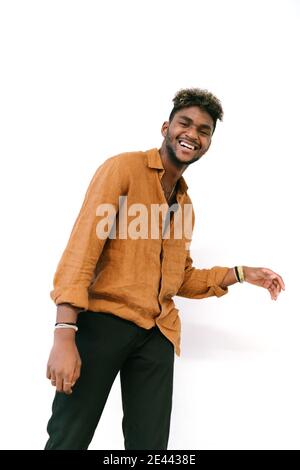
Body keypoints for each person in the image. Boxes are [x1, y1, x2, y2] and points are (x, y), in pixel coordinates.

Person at [45, 88, 285, 450]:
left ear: (208, 143)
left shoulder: (185, 205)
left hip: (157, 333)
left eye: (204, 130)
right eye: (185, 123)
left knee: (151, 449)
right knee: (69, 438)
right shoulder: (122, 169)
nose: (193, 134)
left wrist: (240, 273)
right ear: (165, 127)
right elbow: (82, 251)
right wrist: (65, 333)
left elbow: (179, 277)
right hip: (103, 323)